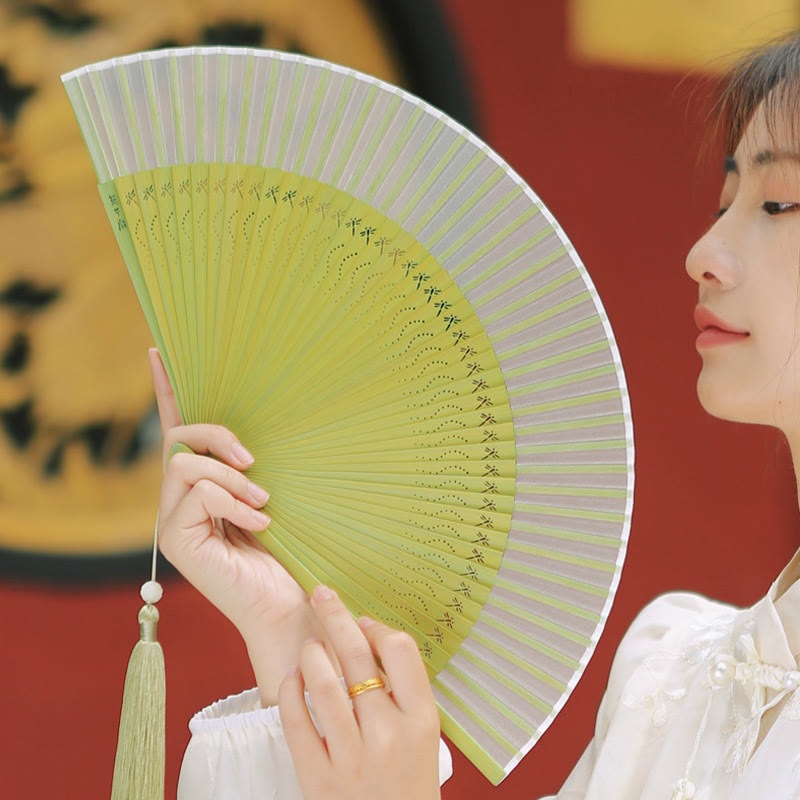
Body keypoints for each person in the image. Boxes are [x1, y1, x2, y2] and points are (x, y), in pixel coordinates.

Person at [155, 31, 800, 800]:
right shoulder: (665, 678)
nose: (704, 252)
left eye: (777, 202)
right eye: (725, 201)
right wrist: (298, 644)